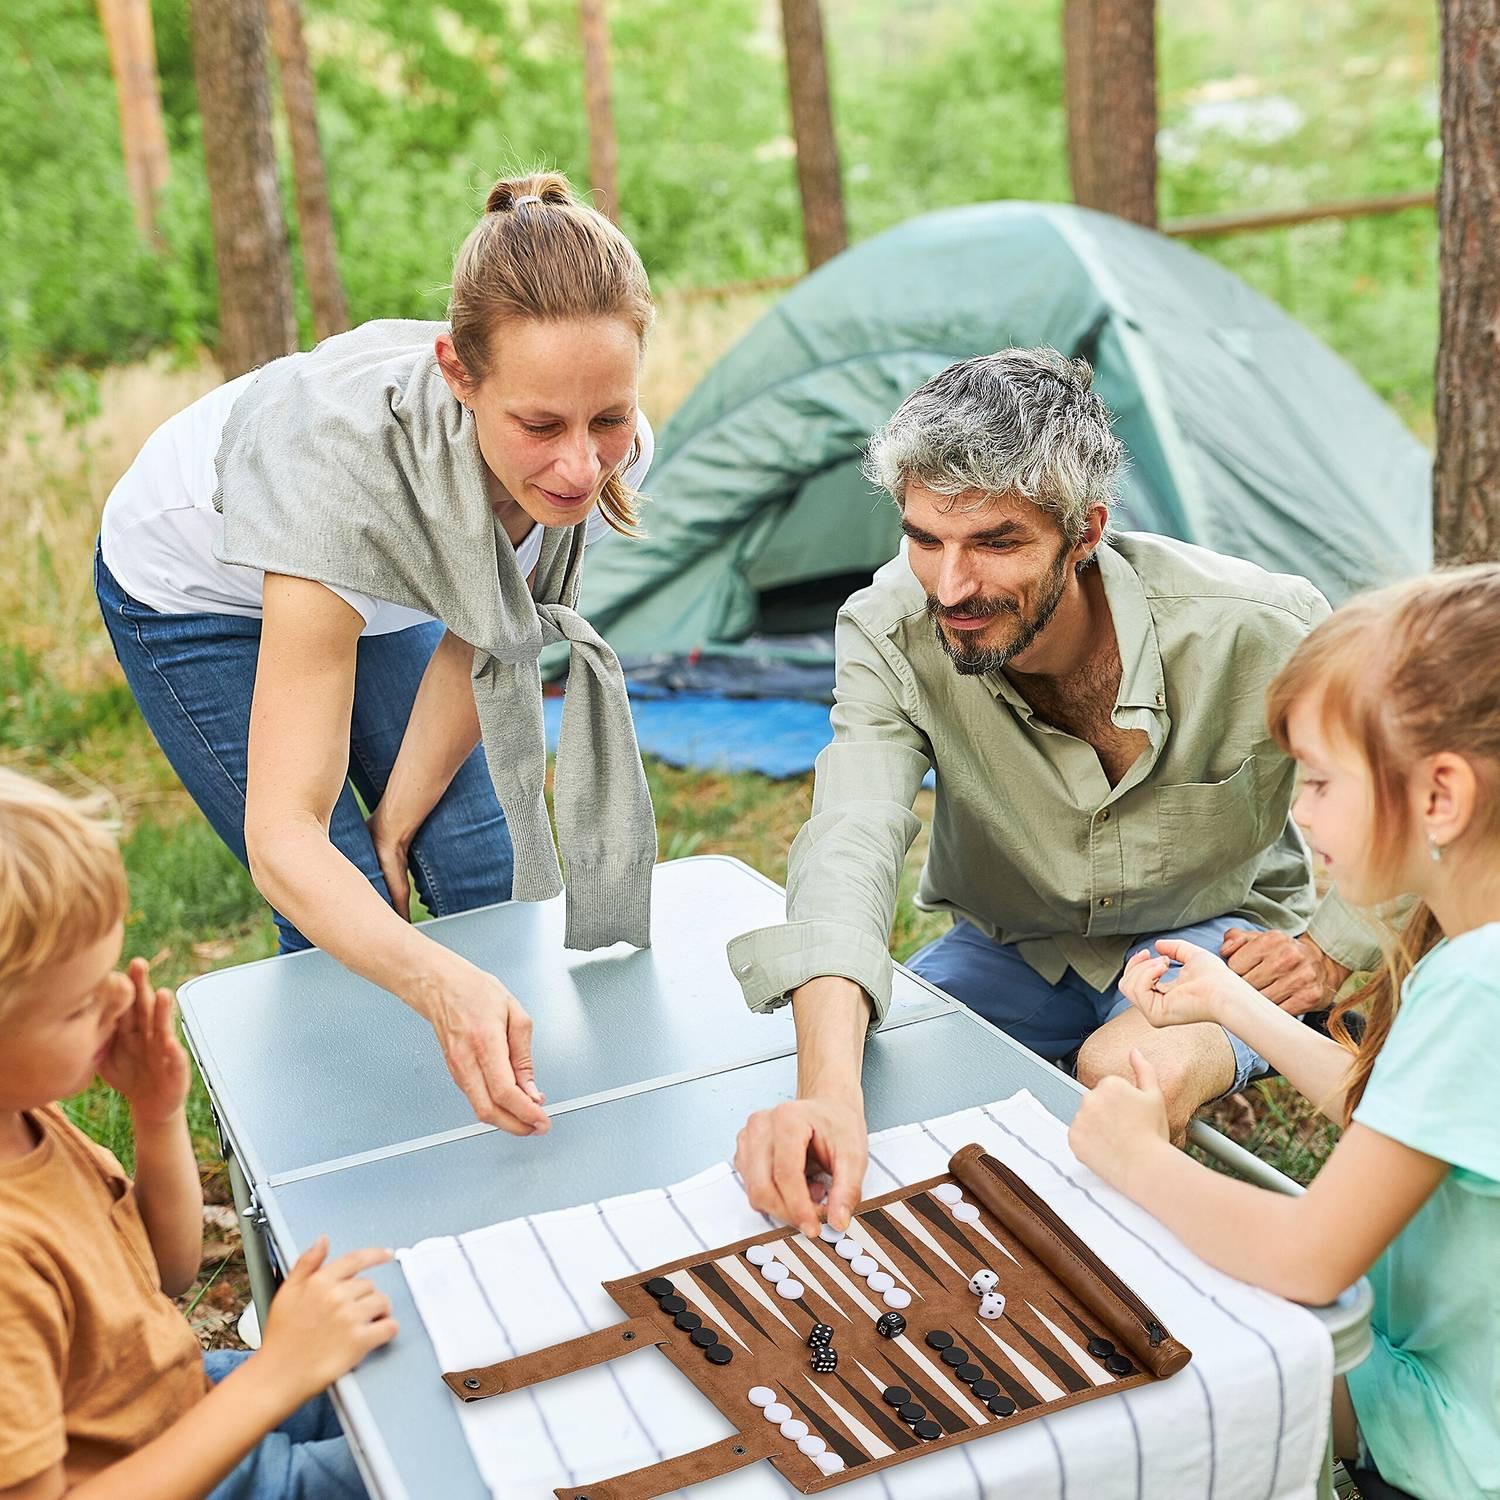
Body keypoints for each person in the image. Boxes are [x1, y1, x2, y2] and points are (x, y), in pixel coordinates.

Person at [728, 348, 1383, 1236]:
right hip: (1014, 947)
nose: (952, 587)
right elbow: (851, 838)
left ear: (1085, 533)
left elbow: (1416, 781)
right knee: (866, 1081)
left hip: (1216, 937)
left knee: (1120, 1073)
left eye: (996, 543)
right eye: (925, 539)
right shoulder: (886, 631)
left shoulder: (1259, 627)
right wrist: (829, 1095)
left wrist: (1335, 948)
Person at [96, 171, 658, 1135]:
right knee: (340, 901)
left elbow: (477, 638)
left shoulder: (605, 459)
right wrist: (435, 982)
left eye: (604, 418)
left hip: (383, 581)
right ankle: (345, 1163)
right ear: (457, 373)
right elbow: (285, 841)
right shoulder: (335, 481)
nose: (579, 465)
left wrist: (398, 821)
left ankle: (529, 1137)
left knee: (476, 860)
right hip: (201, 590)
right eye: (539, 426)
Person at [1068, 567, 1500, 1500]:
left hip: (1453, 1442)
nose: (1298, 813)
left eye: (1318, 781)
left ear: (1441, 798)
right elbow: (1390, 1109)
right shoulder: (1476, 956)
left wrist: (1138, 1157)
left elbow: (1312, 1254)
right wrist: (1233, 1000)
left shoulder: (1478, 985)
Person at [0, 768, 397, 1499]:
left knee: (411, 1363)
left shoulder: (25, 1119)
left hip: (177, 1399)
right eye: (80, 1003)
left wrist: (155, 1118)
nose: (121, 997)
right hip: (177, 1469)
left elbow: (166, 1276)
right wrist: (277, 1375)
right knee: (440, 1469)